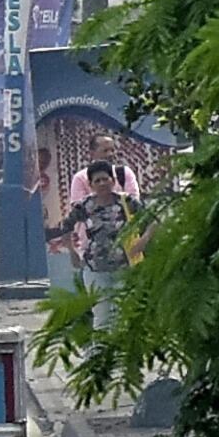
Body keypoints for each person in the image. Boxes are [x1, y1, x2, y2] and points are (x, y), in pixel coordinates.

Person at [48, 160, 136, 322]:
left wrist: (141, 243)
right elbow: (66, 226)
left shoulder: (127, 202)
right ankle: (102, 347)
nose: (102, 184)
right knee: (102, 315)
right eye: (97, 181)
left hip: (124, 265)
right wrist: (73, 253)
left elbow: (152, 220)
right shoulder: (85, 206)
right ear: (91, 184)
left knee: (124, 314)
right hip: (94, 267)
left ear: (113, 181)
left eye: (105, 179)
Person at [69, 133, 144, 205]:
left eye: (112, 150)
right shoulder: (80, 178)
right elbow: (78, 210)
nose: (110, 154)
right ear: (92, 153)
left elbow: (134, 202)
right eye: (105, 151)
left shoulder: (124, 173)